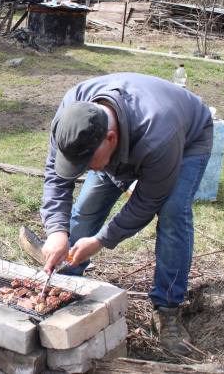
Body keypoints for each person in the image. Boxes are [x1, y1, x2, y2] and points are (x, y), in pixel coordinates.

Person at [40, 72, 213, 356]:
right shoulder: (72, 113)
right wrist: (57, 231)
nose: (86, 170)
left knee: (172, 212)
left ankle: (168, 307)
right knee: (86, 210)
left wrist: (101, 240)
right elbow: (56, 177)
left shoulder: (159, 136)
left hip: (186, 137)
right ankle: (66, 278)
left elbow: (147, 202)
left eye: (87, 163)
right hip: (127, 139)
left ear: (110, 139)